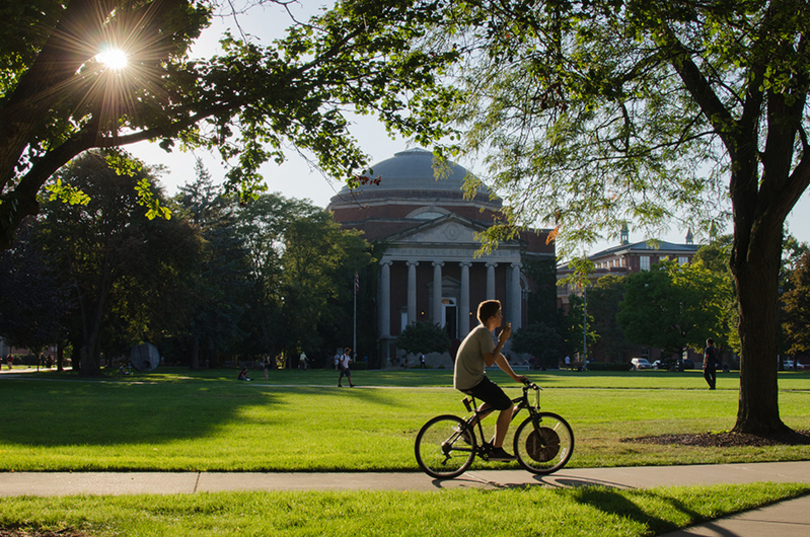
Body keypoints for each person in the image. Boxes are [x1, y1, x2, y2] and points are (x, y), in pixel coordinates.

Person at [454, 300, 526, 461]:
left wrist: (514, 377)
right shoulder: (484, 333)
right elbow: (490, 361)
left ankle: (467, 427)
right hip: (472, 380)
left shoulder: (482, 332)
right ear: (492, 318)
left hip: (468, 379)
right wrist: (502, 341)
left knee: (495, 400)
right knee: (507, 406)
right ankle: (496, 450)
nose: (501, 317)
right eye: (499, 314)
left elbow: (497, 357)